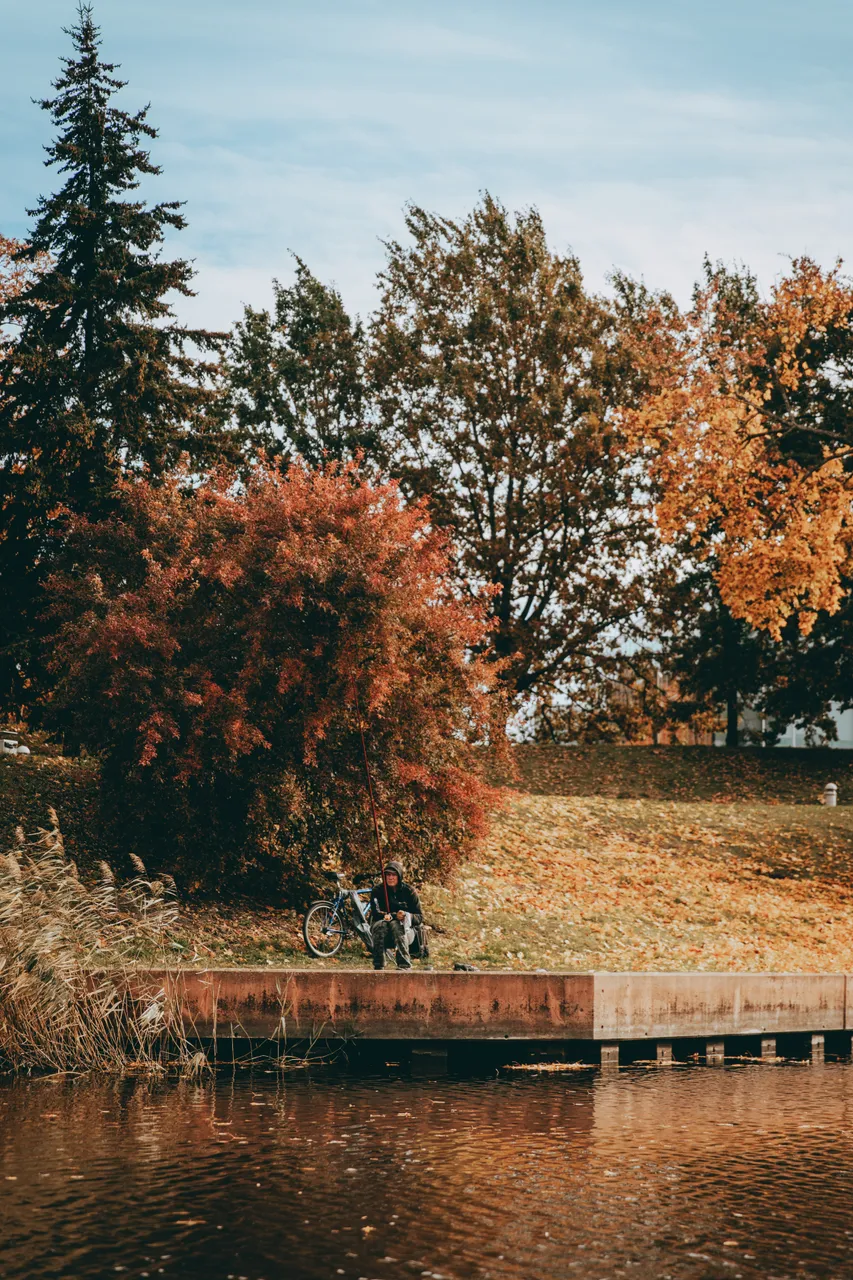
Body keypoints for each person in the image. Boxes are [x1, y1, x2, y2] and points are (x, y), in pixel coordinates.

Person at [369, 860, 423, 970]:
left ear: (399, 876)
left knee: (396, 924)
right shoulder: (377, 891)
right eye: (388, 875)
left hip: (406, 932)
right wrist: (394, 916)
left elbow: (420, 917)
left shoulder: (409, 891)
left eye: (393, 875)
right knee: (382, 925)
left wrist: (407, 916)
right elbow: (375, 913)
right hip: (381, 930)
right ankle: (379, 965)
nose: (390, 878)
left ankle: (404, 965)